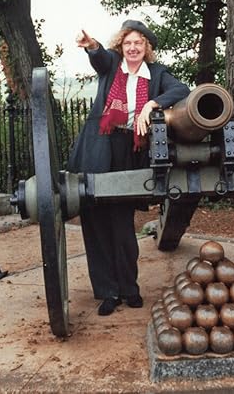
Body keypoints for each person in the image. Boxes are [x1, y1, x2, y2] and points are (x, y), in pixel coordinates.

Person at [68, 19, 190, 316]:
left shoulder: (157, 74)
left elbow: (182, 89)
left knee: (122, 225)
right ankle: (107, 292)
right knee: (96, 220)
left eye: (138, 43)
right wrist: (92, 46)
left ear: (146, 48)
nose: (133, 48)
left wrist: (152, 104)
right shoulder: (112, 64)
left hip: (128, 150)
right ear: (120, 46)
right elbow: (98, 58)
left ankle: (129, 288)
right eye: (128, 43)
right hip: (98, 146)